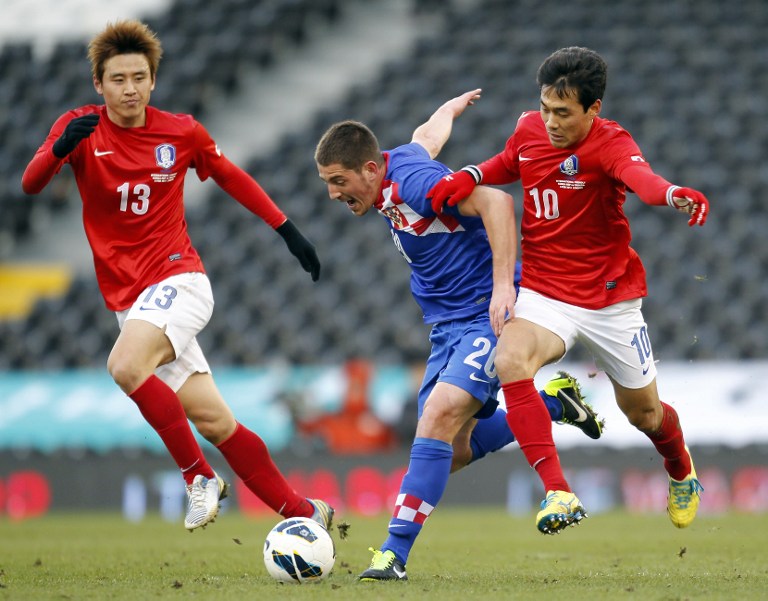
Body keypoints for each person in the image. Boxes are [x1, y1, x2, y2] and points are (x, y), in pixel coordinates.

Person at [21, 19, 333, 533]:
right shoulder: (77, 127)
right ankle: (307, 514)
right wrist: (57, 150)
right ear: (98, 84)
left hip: (179, 282)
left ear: (153, 80)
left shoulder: (180, 131)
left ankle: (198, 479)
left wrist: (288, 230)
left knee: (124, 366)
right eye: (118, 79)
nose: (130, 89)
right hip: (132, 303)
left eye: (139, 77)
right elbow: (30, 185)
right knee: (214, 421)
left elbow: (232, 176)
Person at [314, 89, 604, 581]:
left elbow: (495, 202)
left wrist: (501, 290)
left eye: (338, 181)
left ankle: (391, 555)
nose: (333, 194)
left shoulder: (414, 184)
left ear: (369, 169)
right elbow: (425, 136)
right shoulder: (397, 163)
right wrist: (448, 109)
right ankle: (555, 405)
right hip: (447, 325)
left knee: (437, 416)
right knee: (455, 450)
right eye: (326, 184)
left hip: (486, 316)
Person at [428, 47, 708, 535]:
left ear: (593, 109)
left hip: (610, 299)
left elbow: (642, 181)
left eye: (563, 112)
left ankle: (681, 470)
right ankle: (558, 490)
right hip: (543, 291)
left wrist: (672, 194)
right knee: (510, 358)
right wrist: (470, 174)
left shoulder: (612, 143)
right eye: (545, 107)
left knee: (643, 414)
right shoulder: (530, 129)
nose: (551, 121)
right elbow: (508, 162)